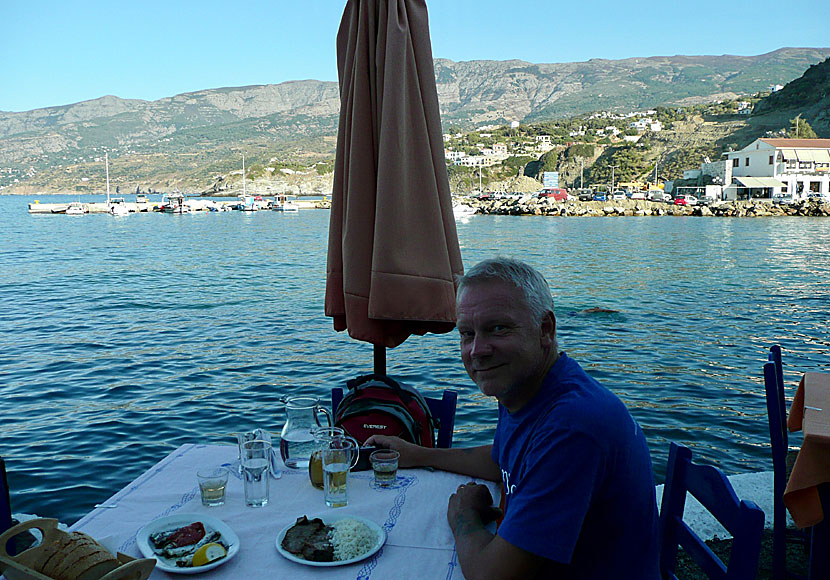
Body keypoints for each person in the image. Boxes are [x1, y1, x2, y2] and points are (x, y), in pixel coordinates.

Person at [367, 257, 660, 579]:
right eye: (467, 334)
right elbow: (504, 458)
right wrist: (419, 455)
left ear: (545, 329)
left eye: (498, 328)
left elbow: (491, 576)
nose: (477, 350)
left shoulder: (572, 426)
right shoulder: (527, 387)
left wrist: (464, 518)